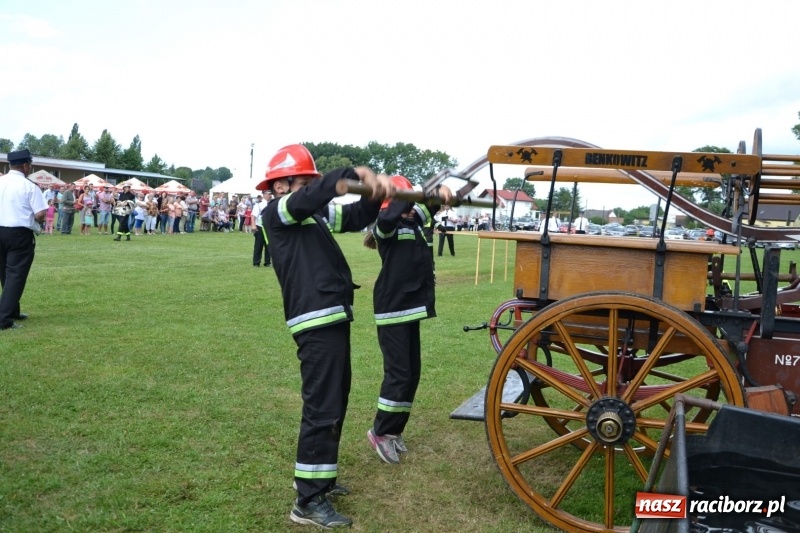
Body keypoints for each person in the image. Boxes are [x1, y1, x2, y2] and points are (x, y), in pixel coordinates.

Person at [257, 144, 393, 529]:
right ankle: (307, 500)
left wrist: (375, 196)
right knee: (322, 406)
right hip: (314, 320)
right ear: (280, 185)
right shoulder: (278, 211)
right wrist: (352, 173)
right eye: (304, 180)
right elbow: (314, 196)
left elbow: (354, 216)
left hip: (330, 315)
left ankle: (321, 480)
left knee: (333, 402)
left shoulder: (311, 215)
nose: (310, 187)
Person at [364, 175, 452, 465]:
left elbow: (434, 202)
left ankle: (394, 430)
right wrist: (410, 196)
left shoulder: (413, 221)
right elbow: (389, 216)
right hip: (392, 310)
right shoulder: (385, 226)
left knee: (411, 372)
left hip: (410, 308)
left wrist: (442, 192)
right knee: (399, 373)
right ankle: (380, 432)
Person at [0, 149, 47, 330]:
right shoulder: (29, 186)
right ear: (26, 165)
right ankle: (4, 319)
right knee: (16, 275)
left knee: (5, 273)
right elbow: (40, 214)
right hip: (18, 233)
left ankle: (12, 310)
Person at [251, 193, 270, 267]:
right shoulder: (259, 205)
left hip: (269, 227)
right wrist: (253, 225)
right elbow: (253, 215)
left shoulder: (272, 204)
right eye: (269, 194)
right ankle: (256, 262)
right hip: (260, 226)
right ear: (264, 195)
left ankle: (267, 262)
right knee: (259, 245)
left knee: (268, 245)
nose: (270, 195)